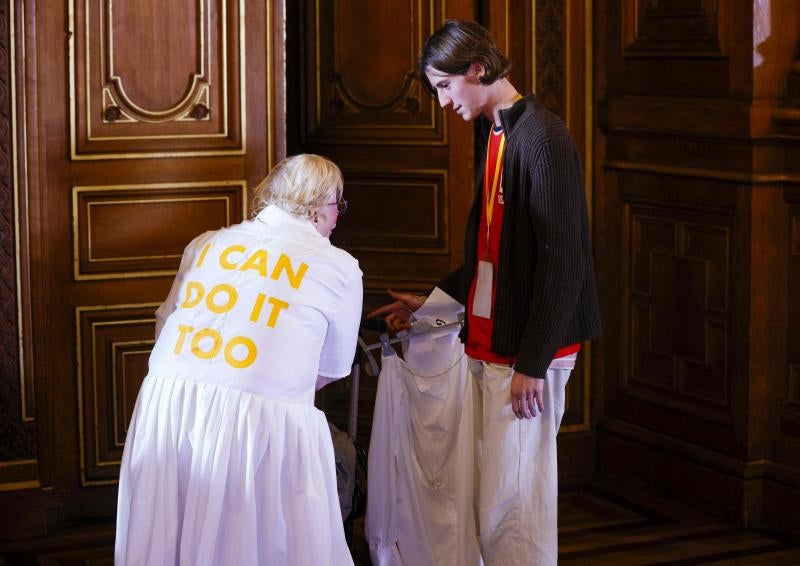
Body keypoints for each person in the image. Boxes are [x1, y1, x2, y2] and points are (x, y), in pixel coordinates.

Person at [369, 20, 602, 565]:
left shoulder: (542, 138)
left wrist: (533, 363)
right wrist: (431, 309)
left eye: (446, 87)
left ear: (477, 69)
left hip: (524, 352)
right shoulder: (499, 133)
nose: (444, 102)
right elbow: (492, 260)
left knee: (514, 510)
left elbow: (563, 263)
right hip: (495, 344)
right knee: (493, 503)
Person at [115, 154, 362, 565]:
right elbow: (331, 369)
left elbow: (165, 322)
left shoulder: (207, 241)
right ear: (321, 207)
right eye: (339, 206)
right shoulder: (339, 266)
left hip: (166, 402)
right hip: (255, 418)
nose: (338, 218)